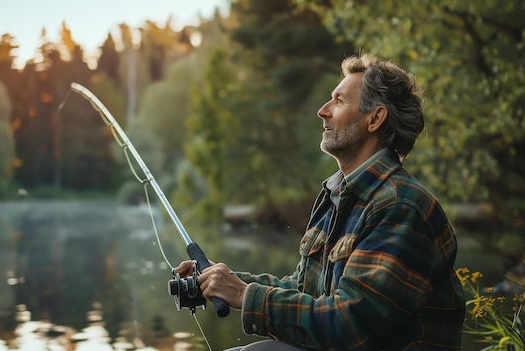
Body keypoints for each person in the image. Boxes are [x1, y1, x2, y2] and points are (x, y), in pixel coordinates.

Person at [175, 54, 466, 350]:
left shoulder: (400, 206)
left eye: (338, 101)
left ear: (375, 119)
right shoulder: (336, 195)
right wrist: (224, 280)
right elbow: (305, 290)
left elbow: (352, 325)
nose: (322, 111)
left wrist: (244, 295)